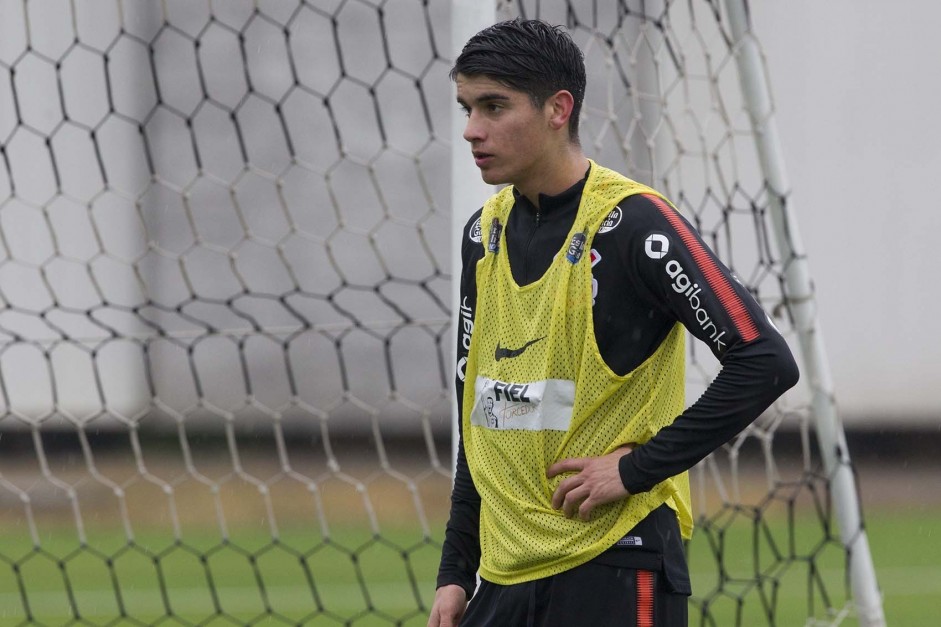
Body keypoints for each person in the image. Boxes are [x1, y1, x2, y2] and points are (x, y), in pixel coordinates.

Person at [429, 18, 799, 627]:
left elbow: (764, 362)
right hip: (502, 574)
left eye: (495, 106)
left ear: (558, 109)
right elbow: (482, 418)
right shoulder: (482, 234)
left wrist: (635, 469)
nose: (472, 130)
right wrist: (455, 570)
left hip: (614, 563)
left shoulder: (634, 225)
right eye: (468, 107)